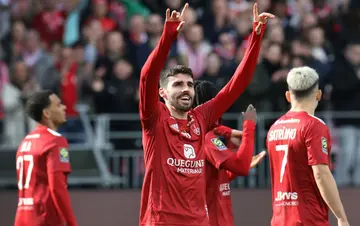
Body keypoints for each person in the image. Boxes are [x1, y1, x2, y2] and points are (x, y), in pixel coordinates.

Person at [138, 2, 274, 225]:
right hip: (161, 220)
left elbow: (235, 86)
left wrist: (256, 38)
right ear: (162, 92)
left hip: (199, 221)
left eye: (189, 85)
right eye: (178, 84)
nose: (185, 89)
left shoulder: (201, 118)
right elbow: (146, 77)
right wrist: (168, 36)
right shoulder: (154, 119)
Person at [266, 66, 349, 226]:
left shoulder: (275, 128)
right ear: (318, 94)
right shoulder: (314, 126)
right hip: (308, 217)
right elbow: (321, 174)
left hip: (279, 218)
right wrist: (341, 217)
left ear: (288, 96)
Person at [193, 80, 266, 226]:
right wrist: (249, 125)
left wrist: (233, 171)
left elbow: (214, 178)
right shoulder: (207, 138)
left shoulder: (201, 135)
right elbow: (241, 166)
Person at [14, 90, 77, 226]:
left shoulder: (25, 142)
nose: (64, 107)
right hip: (44, 218)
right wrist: (72, 223)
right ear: (46, 113)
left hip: (22, 217)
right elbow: (57, 187)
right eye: (59, 105)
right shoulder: (56, 142)